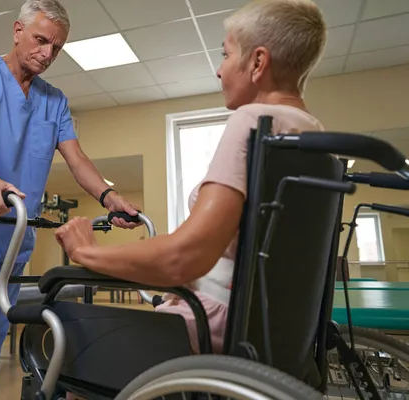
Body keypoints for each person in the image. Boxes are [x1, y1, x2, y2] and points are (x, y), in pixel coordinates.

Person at [55, 0, 327, 355]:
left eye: (226, 55)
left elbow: (184, 256)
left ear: (258, 63)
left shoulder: (254, 122)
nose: (219, 70)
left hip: (217, 325)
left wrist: (85, 252)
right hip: (272, 332)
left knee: (68, 345)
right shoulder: (315, 136)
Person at [0, 1, 140, 398]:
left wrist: (109, 196)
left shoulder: (55, 100)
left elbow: (76, 157)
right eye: (40, 40)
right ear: (18, 31)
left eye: (57, 47)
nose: (47, 54)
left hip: (13, 236)